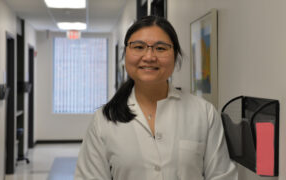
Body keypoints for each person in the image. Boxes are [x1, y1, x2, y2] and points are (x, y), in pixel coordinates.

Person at [74, 16, 237, 180]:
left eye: (161, 48)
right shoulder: (104, 120)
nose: (149, 57)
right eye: (138, 47)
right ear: (126, 54)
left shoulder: (204, 113)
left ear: (175, 55)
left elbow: (221, 176)